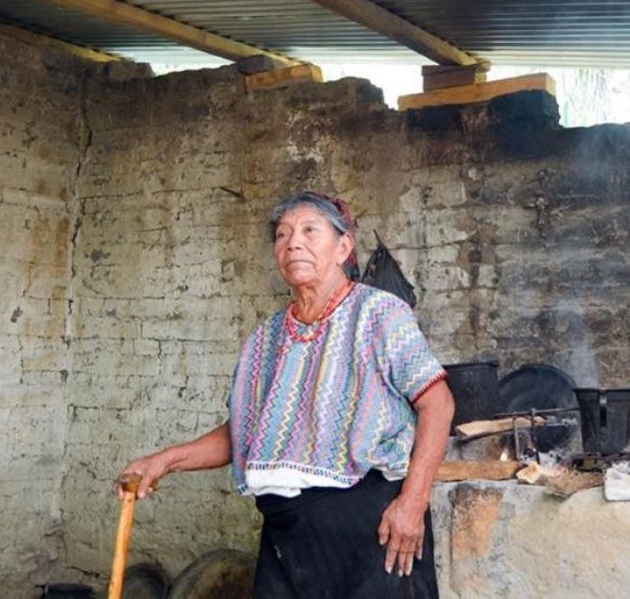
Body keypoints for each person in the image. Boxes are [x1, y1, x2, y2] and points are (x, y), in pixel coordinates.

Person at [118, 191, 455, 598]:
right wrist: (164, 461)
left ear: (343, 247)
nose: (293, 242)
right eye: (282, 234)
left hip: (366, 527)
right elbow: (243, 432)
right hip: (286, 533)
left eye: (310, 231)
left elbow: (436, 402)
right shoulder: (266, 337)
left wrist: (413, 502)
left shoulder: (378, 313)